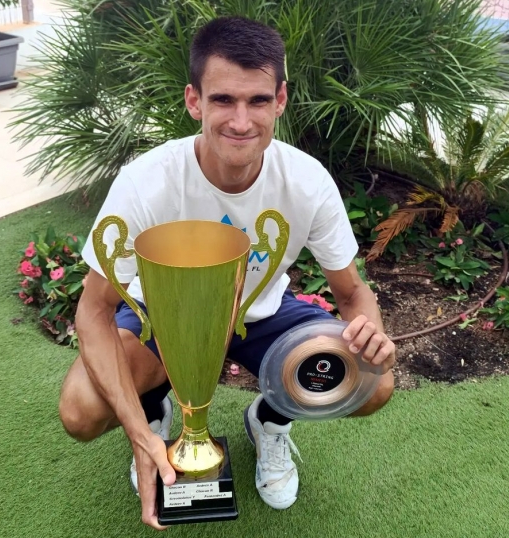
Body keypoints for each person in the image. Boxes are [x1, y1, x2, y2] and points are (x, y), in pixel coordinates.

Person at [59, 16, 396, 531]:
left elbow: (352, 294)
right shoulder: (148, 181)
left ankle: (268, 420)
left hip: (258, 315)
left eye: (258, 100)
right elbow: (93, 310)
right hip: (161, 319)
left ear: (280, 99)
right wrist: (137, 434)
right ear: (194, 100)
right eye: (223, 100)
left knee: (372, 385)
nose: (241, 120)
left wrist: (370, 331)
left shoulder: (306, 181)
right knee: (82, 411)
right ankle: (155, 418)